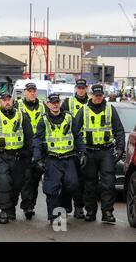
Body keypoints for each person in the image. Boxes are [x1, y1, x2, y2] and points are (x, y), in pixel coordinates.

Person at [74, 84, 126, 223]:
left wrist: (120, 149)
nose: (98, 98)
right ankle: (90, 211)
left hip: (106, 152)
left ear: (103, 95)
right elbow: (75, 132)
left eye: (100, 95)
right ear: (91, 95)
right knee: (89, 184)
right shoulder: (83, 110)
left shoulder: (110, 109)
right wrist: (80, 152)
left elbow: (119, 131)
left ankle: (107, 212)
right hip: (89, 152)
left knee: (108, 183)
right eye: (96, 95)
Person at [0, 91, 33, 224]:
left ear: (13, 101)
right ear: (0, 102)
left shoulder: (22, 117)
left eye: (9, 99)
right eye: (4, 100)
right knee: (4, 183)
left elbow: (29, 138)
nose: (7, 102)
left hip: (18, 158)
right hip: (1, 157)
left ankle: (11, 208)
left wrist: (29, 156)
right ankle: (4, 210)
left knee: (17, 185)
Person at [32, 93, 86, 223]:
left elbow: (77, 136)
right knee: (51, 189)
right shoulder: (43, 120)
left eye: (57, 102)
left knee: (72, 184)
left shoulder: (69, 117)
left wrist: (82, 153)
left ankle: (65, 204)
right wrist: (37, 159)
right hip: (52, 159)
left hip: (69, 158)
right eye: (53, 102)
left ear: (60, 103)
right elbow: (37, 140)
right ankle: (54, 216)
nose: (55, 105)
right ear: (48, 104)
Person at [60, 78, 89, 218]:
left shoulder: (92, 102)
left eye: (83, 87)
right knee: (68, 179)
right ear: (76, 88)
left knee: (81, 180)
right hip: (70, 146)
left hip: (86, 146)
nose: (81, 90)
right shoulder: (68, 103)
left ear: (86, 88)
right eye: (79, 87)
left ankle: (79, 207)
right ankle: (66, 204)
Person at [18, 82, 47, 219]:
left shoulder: (43, 106)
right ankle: (27, 206)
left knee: (35, 180)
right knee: (26, 179)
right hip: (24, 148)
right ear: (25, 92)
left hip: (39, 149)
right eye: (30, 91)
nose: (32, 93)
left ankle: (31, 204)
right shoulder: (18, 106)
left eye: (34, 91)